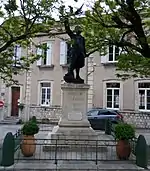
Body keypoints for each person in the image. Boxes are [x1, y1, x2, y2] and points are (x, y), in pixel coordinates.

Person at [63, 17, 86, 84]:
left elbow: (83, 46)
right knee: (72, 64)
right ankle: (70, 74)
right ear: (76, 31)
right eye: (77, 30)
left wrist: (84, 53)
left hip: (80, 53)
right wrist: (66, 21)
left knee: (78, 65)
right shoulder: (73, 36)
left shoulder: (82, 38)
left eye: (79, 30)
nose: (78, 31)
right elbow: (68, 30)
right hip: (74, 52)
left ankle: (77, 76)